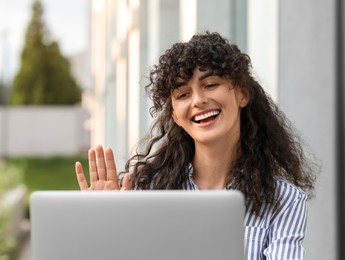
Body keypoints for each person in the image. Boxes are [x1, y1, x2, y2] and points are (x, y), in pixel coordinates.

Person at [75, 31, 317, 260]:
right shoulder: (145, 192)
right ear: (175, 116)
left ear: (242, 94)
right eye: (183, 94)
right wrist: (105, 231)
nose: (199, 100)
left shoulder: (284, 200)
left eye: (210, 84)